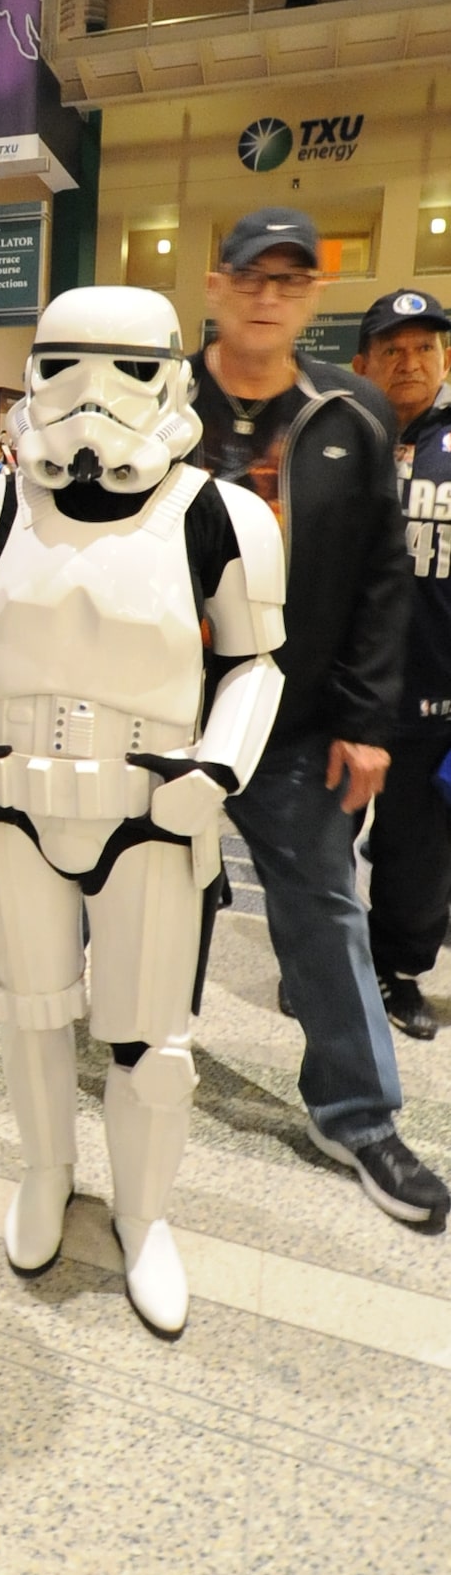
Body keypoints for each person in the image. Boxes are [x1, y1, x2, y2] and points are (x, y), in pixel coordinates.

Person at [0, 285, 286, 1337]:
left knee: (150, 1044)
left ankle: (143, 1216)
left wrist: (215, 770)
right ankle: (43, 1173)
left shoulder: (221, 516)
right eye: (61, 365)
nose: (89, 397)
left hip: (155, 811)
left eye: (124, 368)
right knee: (25, 1013)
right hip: (9, 799)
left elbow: (255, 663)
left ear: (171, 374)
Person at [191, 207, 449, 1228]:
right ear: (215, 285)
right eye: (251, 275)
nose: (267, 294)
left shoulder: (348, 413)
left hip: (290, 724)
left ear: (309, 295)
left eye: (289, 280)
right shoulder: (158, 400)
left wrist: (365, 720)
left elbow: (381, 580)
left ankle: (354, 1114)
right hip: (162, 715)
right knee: (143, 895)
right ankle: (139, 1051)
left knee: (325, 911)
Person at [353, 290, 451, 1039]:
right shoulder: (338, 439)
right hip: (342, 696)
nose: (408, 362)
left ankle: (395, 970)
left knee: (416, 861)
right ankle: (320, 966)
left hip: (433, 701)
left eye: (424, 348)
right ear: (364, 364)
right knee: (319, 850)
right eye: (392, 349)